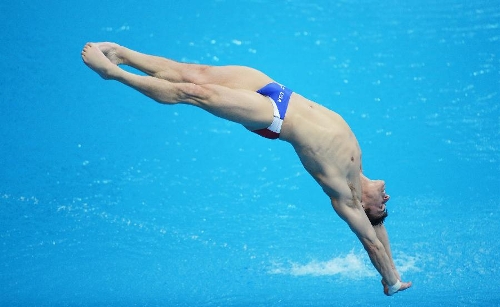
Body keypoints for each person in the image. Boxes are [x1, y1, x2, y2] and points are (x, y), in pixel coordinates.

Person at [81, 42, 412, 296]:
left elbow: (372, 240)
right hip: (275, 89)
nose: (387, 197)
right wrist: (394, 268)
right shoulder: (359, 167)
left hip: (273, 116)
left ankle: (114, 73)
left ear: (365, 206)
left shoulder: (344, 195)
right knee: (193, 71)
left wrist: (391, 281)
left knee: (194, 93)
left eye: (383, 206)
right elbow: (381, 232)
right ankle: (123, 55)